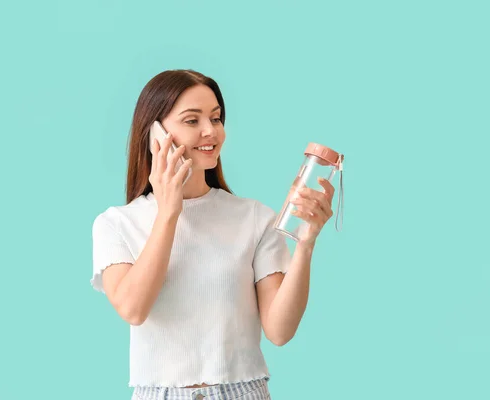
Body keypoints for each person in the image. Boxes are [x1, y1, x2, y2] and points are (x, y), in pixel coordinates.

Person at [91, 69, 336, 400]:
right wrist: (168, 213)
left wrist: (305, 245)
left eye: (216, 118)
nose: (211, 131)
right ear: (156, 134)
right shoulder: (116, 224)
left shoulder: (254, 218)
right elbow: (134, 309)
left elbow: (280, 331)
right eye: (192, 121)